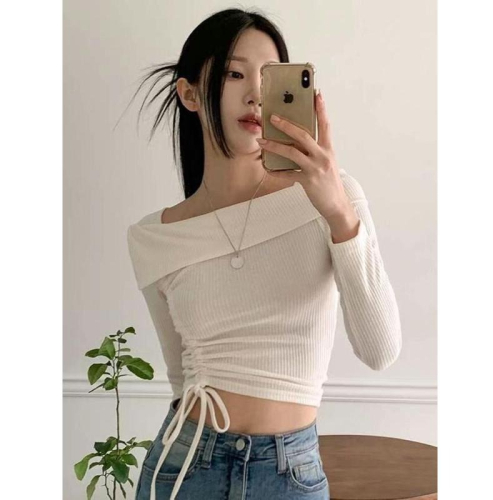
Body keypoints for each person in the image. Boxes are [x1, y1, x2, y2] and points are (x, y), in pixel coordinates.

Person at [126, 7, 402, 500]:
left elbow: (380, 351)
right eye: (234, 74)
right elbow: (181, 377)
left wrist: (338, 211)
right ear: (190, 94)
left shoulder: (332, 199)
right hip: (185, 467)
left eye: (268, 76)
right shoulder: (154, 237)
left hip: (290, 473)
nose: (255, 93)